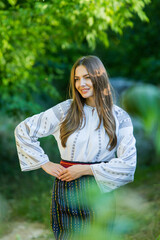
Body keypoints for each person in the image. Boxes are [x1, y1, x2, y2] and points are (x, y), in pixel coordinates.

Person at [14, 55, 137, 239]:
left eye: (87, 77)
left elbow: (128, 164)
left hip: (99, 189)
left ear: (99, 77)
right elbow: (23, 130)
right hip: (66, 186)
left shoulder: (119, 117)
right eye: (77, 79)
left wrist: (85, 170)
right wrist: (45, 163)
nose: (82, 84)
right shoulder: (65, 110)